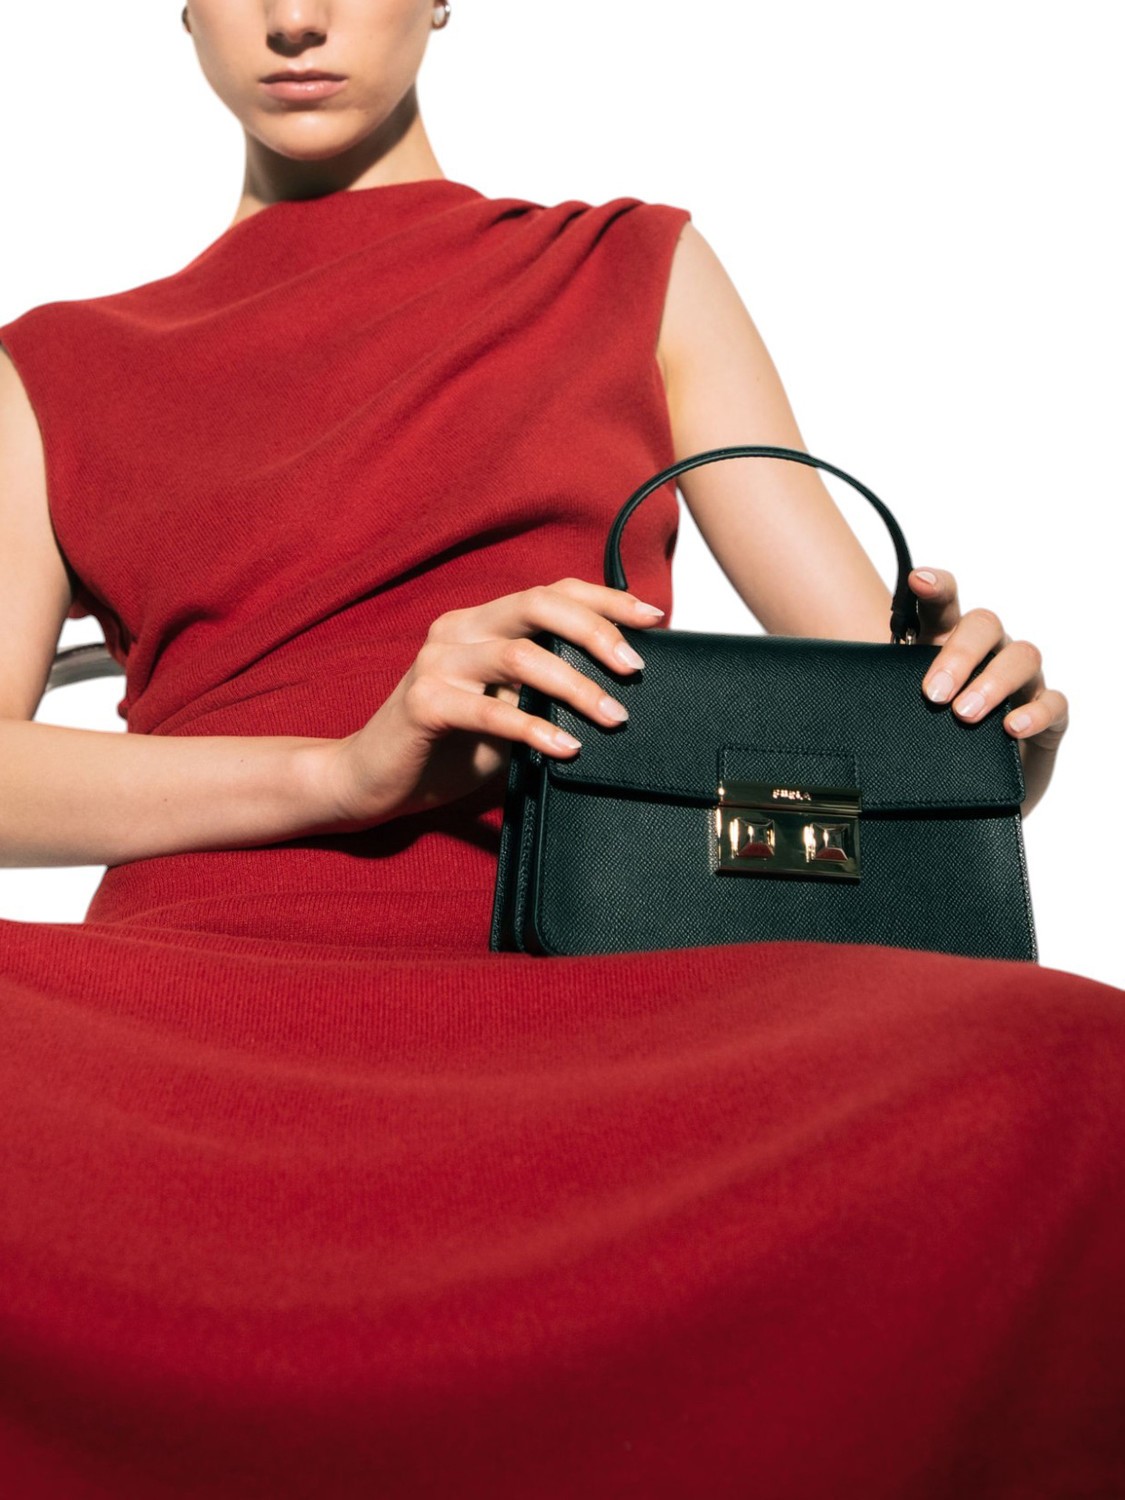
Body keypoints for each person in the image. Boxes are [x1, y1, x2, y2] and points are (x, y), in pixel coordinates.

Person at [0, 3, 1120, 1495]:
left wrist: (991, 736)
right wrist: (345, 769)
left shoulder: (626, 266)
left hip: (596, 975)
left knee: (1066, 1067)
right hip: (174, 1022)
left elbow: (879, 719)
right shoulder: (55, 364)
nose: (295, 18)